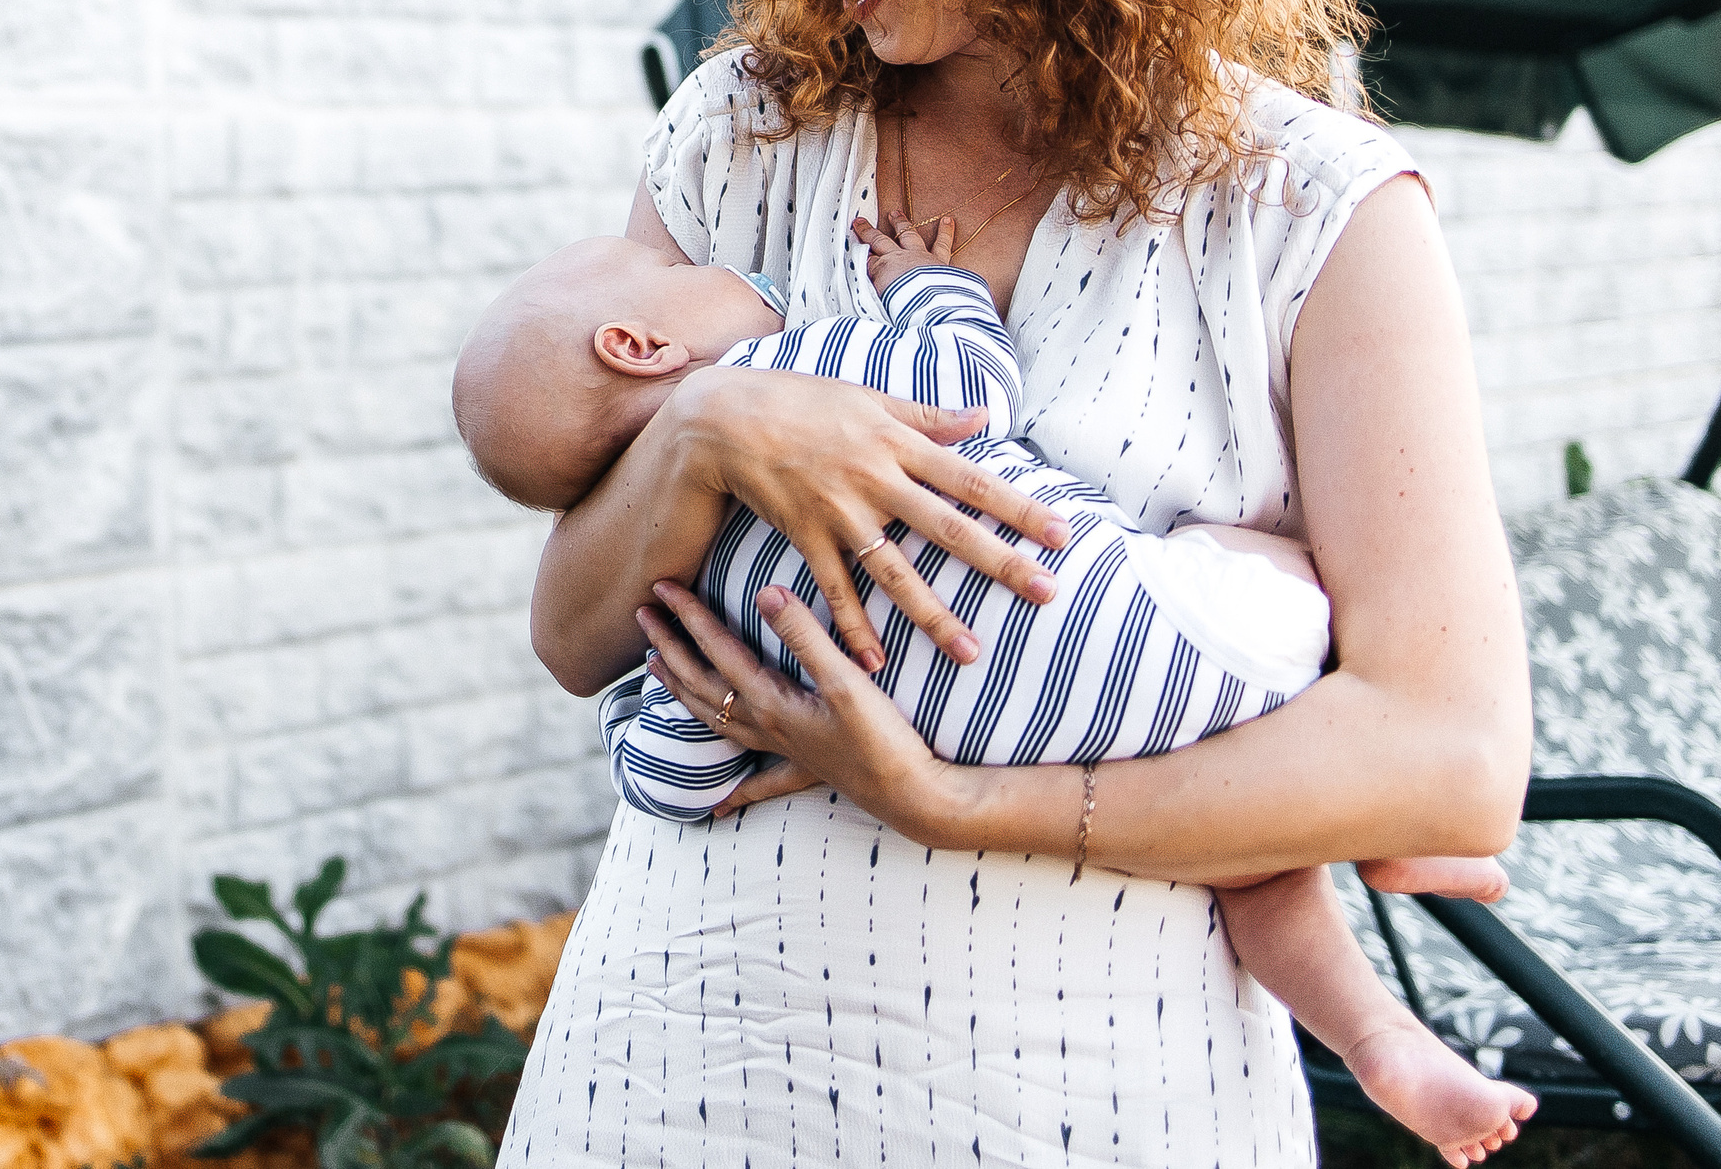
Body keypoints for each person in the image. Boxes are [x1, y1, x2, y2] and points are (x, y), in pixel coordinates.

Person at [475, 0, 1532, 1169]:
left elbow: (1450, 754)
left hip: (1090, 1095)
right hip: (676, 1074)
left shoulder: (1307, 209)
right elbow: (572, 628)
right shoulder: (746, 139)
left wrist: (964, 802)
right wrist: (703, 435)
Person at [454, 217, 1534, 1165]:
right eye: (654, 263)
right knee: (1266, 570)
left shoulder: (686, 593)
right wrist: (930, 288)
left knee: (1251, 865)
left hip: (998, 736)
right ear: (639, 346)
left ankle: (1376, 1031)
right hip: (1159, 652)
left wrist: (650, 693)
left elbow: (675, 777)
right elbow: (977, 391)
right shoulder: (810, 365)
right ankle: (1371, 858)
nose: (700, 259)